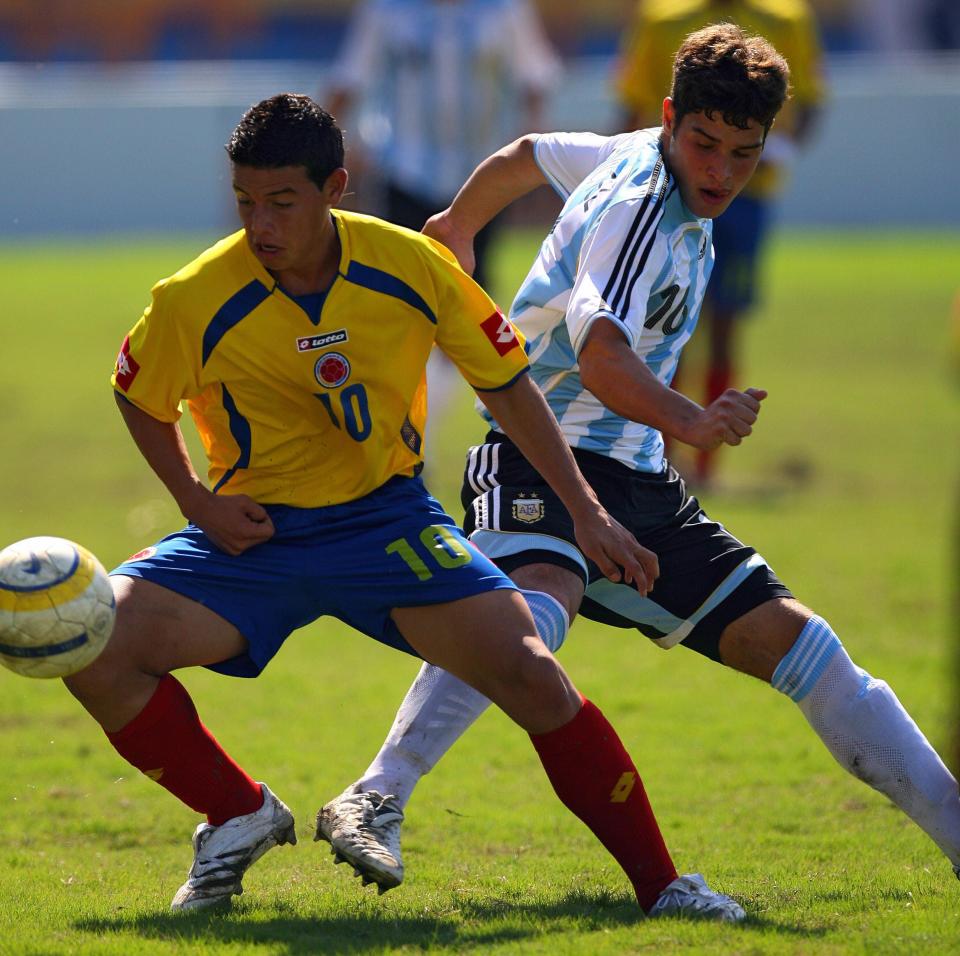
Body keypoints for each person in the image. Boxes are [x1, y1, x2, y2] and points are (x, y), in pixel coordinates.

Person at [62, 93, 744, 921]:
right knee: (92, 641)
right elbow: (137, 395)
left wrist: (589, 512)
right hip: (254, 538)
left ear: (336, 187)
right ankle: (237, 814)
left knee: (531, 671)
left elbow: (511, 387)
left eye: (282, 202)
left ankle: (663, 887)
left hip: (386, 525)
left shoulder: (412, 266)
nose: (260, 224)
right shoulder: (194, 296)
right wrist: (195, 502)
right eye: (245, 202)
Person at [317, 23, 960, 897]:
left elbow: (524, 152)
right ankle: (375, 796)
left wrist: (456, 225)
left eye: (744, 151)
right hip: (537, 449)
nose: (722, 171)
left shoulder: (628, 153)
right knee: (533, 616)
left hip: (639, 482)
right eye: (704, 143)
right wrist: (693, 419)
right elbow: (602, 358)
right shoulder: (640, 212)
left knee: (808, 652)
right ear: (669, 118)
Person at [324, 0, 562, 461]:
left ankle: (426, 441)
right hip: (403, 173)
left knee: (469, 313)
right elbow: (348, 79)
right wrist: (314, 158)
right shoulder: (387, 10)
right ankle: (397, 443)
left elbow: (535, 75)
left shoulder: (504, 9)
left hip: (481, 182)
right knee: (399, 311)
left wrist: (532, 162)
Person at [613, 0, 825, 486]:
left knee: (725, 325)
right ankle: (661, 460)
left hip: (747, 202)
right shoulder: (660, 21)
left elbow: (810, 100)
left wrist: (779, 150)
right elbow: (631, 104)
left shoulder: (787, 21)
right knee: (664, 328)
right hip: (670, 199)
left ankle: (707, 466)